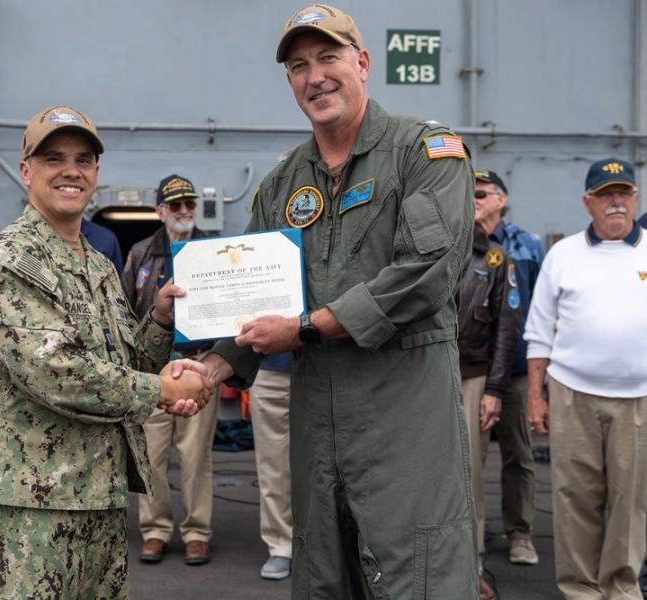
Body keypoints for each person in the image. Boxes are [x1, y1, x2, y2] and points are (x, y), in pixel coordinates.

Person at [177, 5, 479, 597]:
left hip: (405, 424)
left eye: (328, 58)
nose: (315, 77)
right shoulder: (281, 185)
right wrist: (209, 368)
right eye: (298, 66)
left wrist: (307, 328)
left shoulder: (425, 153)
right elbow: (253, 305)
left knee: (418, 574)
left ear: (362, 63)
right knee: (323, 579)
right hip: (318, 431)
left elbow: (429, 273)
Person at [0, 105, 212, 599]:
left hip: (97, 496)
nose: (71, 171)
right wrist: (161, 389)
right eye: (54, 158)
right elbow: (54, 372)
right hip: (26, 505)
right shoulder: (11, 259)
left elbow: (121, 365)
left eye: (83, 160)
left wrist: (159, 322)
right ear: (26, 170)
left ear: (96, 172)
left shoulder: (97, 265)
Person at [525, 157, 647, 600]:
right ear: (586, 203)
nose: (615, 202)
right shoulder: (563, 255)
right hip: (572, 393)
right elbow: (539, 330)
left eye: (623, 193)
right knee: (574, 497)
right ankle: (580, 589)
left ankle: (621, 587)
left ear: (636, 199)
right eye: (605, 195)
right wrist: (535, 396)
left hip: (639, 397)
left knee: (631, 501)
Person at [120, 174, 219, 566]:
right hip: (153, 370)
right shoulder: (141, 252)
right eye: (175, 205)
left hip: (198, 363)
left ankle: (197, 532)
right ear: (160, 211)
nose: (184, 211)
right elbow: (125, 309)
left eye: (189, 204)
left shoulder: (213, 250)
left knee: (196, 457)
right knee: (151, 456)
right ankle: (155, 530)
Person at [472, 169, 543, 567]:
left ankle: (520, 532)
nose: (473, 199)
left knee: (519, 456)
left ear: (502, 199)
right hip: (473, 370)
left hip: (516, 370)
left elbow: (543, 308)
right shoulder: (458, 241)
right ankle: (472, 535)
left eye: (481, 193)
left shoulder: (527, 245)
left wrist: (540, 376)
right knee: (470, 459)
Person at [457, 224, 522, 599]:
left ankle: (471, 564)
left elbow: (506, 329)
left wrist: (494, 389)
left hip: (472, 376)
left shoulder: (494, 258)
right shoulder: (417, 238)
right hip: (419, 374)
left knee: (469, 475)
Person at [248, 354, 293, 581]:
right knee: (272, 462)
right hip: (269, 365)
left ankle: (327, 543)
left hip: (329, 363)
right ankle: (280, 544)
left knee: (327, 458)